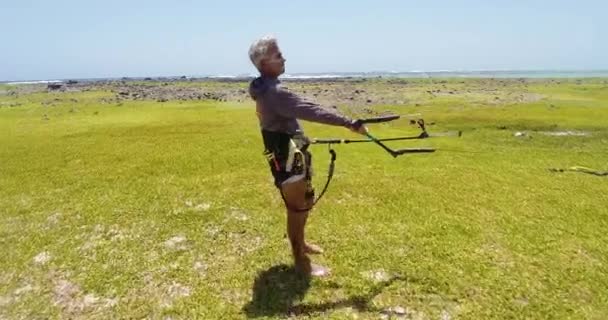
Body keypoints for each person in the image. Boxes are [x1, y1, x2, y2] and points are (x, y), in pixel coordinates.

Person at [248, 35, 368, 277]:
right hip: (287, 156)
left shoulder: (262, 87)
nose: (284, 59)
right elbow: (311, 110)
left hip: (290, 152)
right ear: (263, 63)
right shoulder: (275, 92)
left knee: (304, 201)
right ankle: (300, 260)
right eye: (278, 55)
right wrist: (349, 123)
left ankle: (301, 245)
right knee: (297, 207)